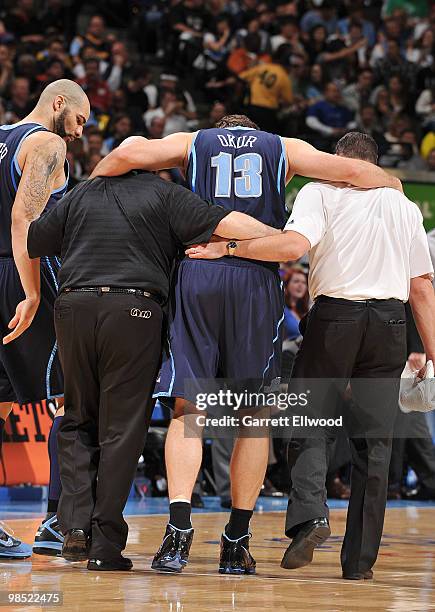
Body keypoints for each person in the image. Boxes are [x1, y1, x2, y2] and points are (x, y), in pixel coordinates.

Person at [91, 117, 402, 575]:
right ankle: (236, 540)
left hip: (198, 270)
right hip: (255, 279)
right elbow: (353, 171)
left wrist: (93, 184)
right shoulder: (284, 147)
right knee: (254, 415)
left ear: (220, 128)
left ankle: (177, 532)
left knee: (188, 409)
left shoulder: (193, 142)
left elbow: (125, 156)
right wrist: (392, 182)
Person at [187, 132, 434, 580]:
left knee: (307, 421)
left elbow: (291, 248)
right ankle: (358, 565)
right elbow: (421, 286)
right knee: (375, 447)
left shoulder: (319, 192)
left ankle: (310, 517)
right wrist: (433, 352)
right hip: (391, 324)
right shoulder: (405, 207)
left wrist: (226, 248)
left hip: (336, 317)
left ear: (339, 163)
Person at [26, 170, 280, 572]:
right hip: (134, 309)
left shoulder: (80, 194)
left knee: (75, 419)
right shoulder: (167, 194)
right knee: (123, 429)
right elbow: (228, 223)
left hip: (73, 306)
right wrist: (276, 235)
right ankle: (105, 545)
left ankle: (72, 524)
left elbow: (34, 238)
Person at [0, 79, 89, 559]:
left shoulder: (1, 137)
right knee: (69, 397)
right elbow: (24, 219)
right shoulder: (47, 142)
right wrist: (32, 291)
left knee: (1, 404)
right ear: (59, 104)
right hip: (24, 273)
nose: (78, 132)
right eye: (79, 120)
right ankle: (60, 521)